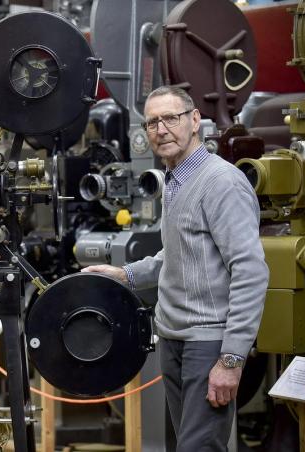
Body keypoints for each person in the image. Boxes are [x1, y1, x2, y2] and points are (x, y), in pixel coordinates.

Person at [82, 86, 269, 451]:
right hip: (173, 339)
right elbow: (178, 253)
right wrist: (126, 275)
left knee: (199, 447)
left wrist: (231, 359)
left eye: (171, 118)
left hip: (208, 343)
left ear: (195, 120)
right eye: (152, 122)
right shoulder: (174, 180)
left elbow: (250, 271)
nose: (161, 129)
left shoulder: (222, 183)